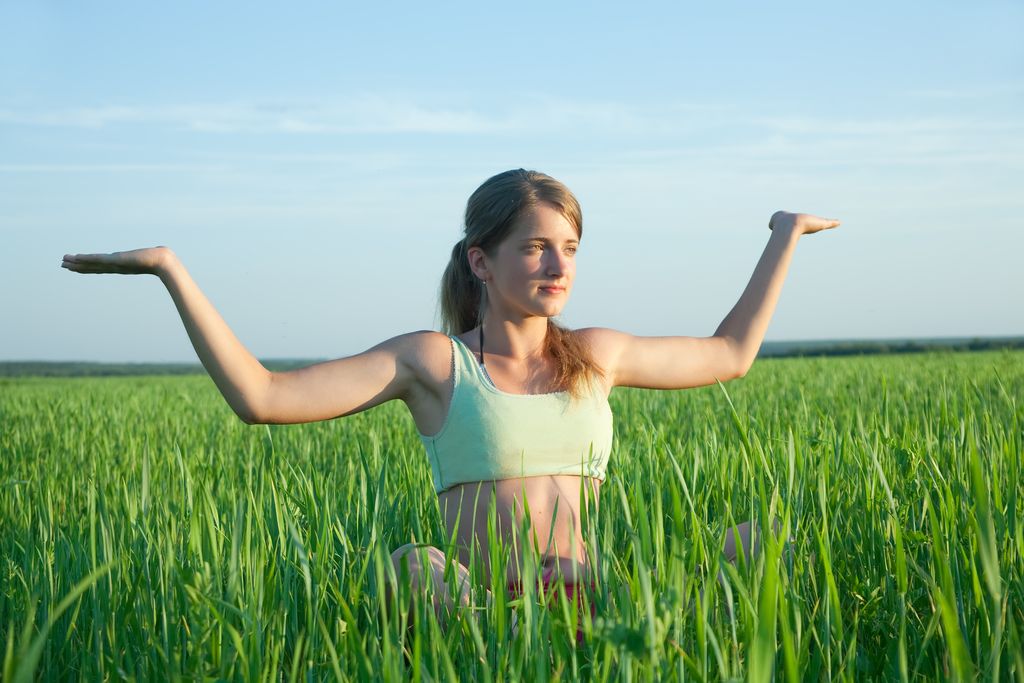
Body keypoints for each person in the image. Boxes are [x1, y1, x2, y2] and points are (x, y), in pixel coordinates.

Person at [61, 168, 839, 638]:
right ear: (482, 259)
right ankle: (483, 658)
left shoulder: (597, 355)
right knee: (414, 564)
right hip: (479, 609)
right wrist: (171, 270)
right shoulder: (437, 362)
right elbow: (263, 398)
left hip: (598, 600)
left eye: (569, 246)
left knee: (760, 536)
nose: (557, 263)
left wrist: (786, 234)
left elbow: (731, 354)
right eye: (536, 245)